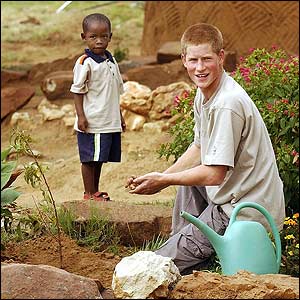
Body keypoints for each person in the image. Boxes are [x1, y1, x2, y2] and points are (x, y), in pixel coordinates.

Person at [126, 23, 285, 275]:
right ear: (183, 60)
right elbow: (200, 147)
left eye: (207, 59)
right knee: (184, 180)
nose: (200, 68)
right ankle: (186, 245)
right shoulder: (205, 92)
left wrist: (164, 181)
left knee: (152, 268)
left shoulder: (227, 104)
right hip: (230, 194)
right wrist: (162, 175)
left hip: (244, 212)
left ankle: (184, 251)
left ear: (221, 57)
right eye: (194, 60)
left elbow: (214, 174)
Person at [70, 13, 126, 202]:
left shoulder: (111, 60)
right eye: (93, 37)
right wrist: (81, 116)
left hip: (108, 120)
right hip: (92, 120)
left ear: (110, 36)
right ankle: (88, 193)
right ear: (84, 37)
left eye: (104, 36)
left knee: (100, 157)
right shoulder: (85, 63)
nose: (99, 41)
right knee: (89, 159)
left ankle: (95, 191)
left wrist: (120, 116)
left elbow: (114, 93)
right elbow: (77, 91)